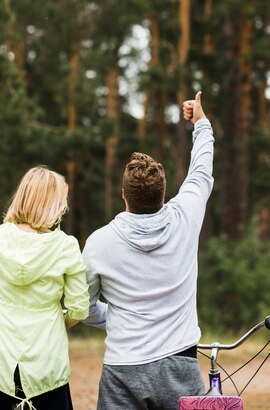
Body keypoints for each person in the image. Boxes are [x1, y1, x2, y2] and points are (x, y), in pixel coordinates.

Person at [83, 91, 214, 410]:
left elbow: (83, 307)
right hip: (180, 365)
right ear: (163, 193)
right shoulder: (186, 216)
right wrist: (202, 124)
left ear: (123, 195)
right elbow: (201, 170)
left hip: (122, 369)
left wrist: (116, 317)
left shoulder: (99, 243)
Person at [0, 166, 89, 410]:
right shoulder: (66, 246)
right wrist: (53, 322)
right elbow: (79, 309)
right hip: (47, 364)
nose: (64, 207)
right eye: (62, 201)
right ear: (53, 205)